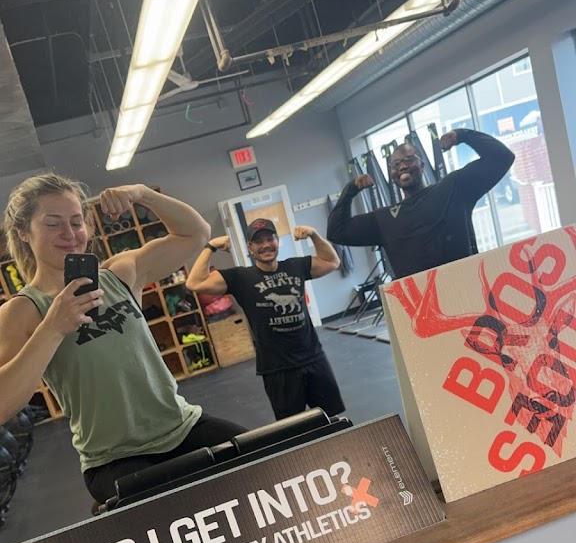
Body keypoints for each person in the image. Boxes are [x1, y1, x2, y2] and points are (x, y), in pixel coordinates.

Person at [0, 174, 245, 506]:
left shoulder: (120, 274)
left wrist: (142, 193)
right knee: (170, 517)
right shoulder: (23, 310)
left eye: (76, 222)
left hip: (182, 426)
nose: (70, 233)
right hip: (115, 457)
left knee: (271, 463)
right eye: (53, 224)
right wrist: (53, 328)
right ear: (23, 232)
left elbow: (196, 233)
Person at [186, 219, 345, 421]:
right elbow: (194, 283)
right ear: (250, 248)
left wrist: (314, 234)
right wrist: (211, 246)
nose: (266, 245)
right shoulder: (240, 277)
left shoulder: (296, 266)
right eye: (258, 241)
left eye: (270, 239)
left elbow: (332, 262)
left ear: (277, 241)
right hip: (278, 369)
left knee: (333, 420)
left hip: (314, 358)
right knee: (294, 428)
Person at [327, 128, 515, 278]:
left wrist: (463, 135)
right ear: (392, 174)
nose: (402, 166)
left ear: (422, 164)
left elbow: (502, 157)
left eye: (409, 159)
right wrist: (350, 190)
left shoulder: (453, 188)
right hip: (423, 307)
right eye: (395, 164)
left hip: (467, 292)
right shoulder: (384, 220)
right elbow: (336, 231)